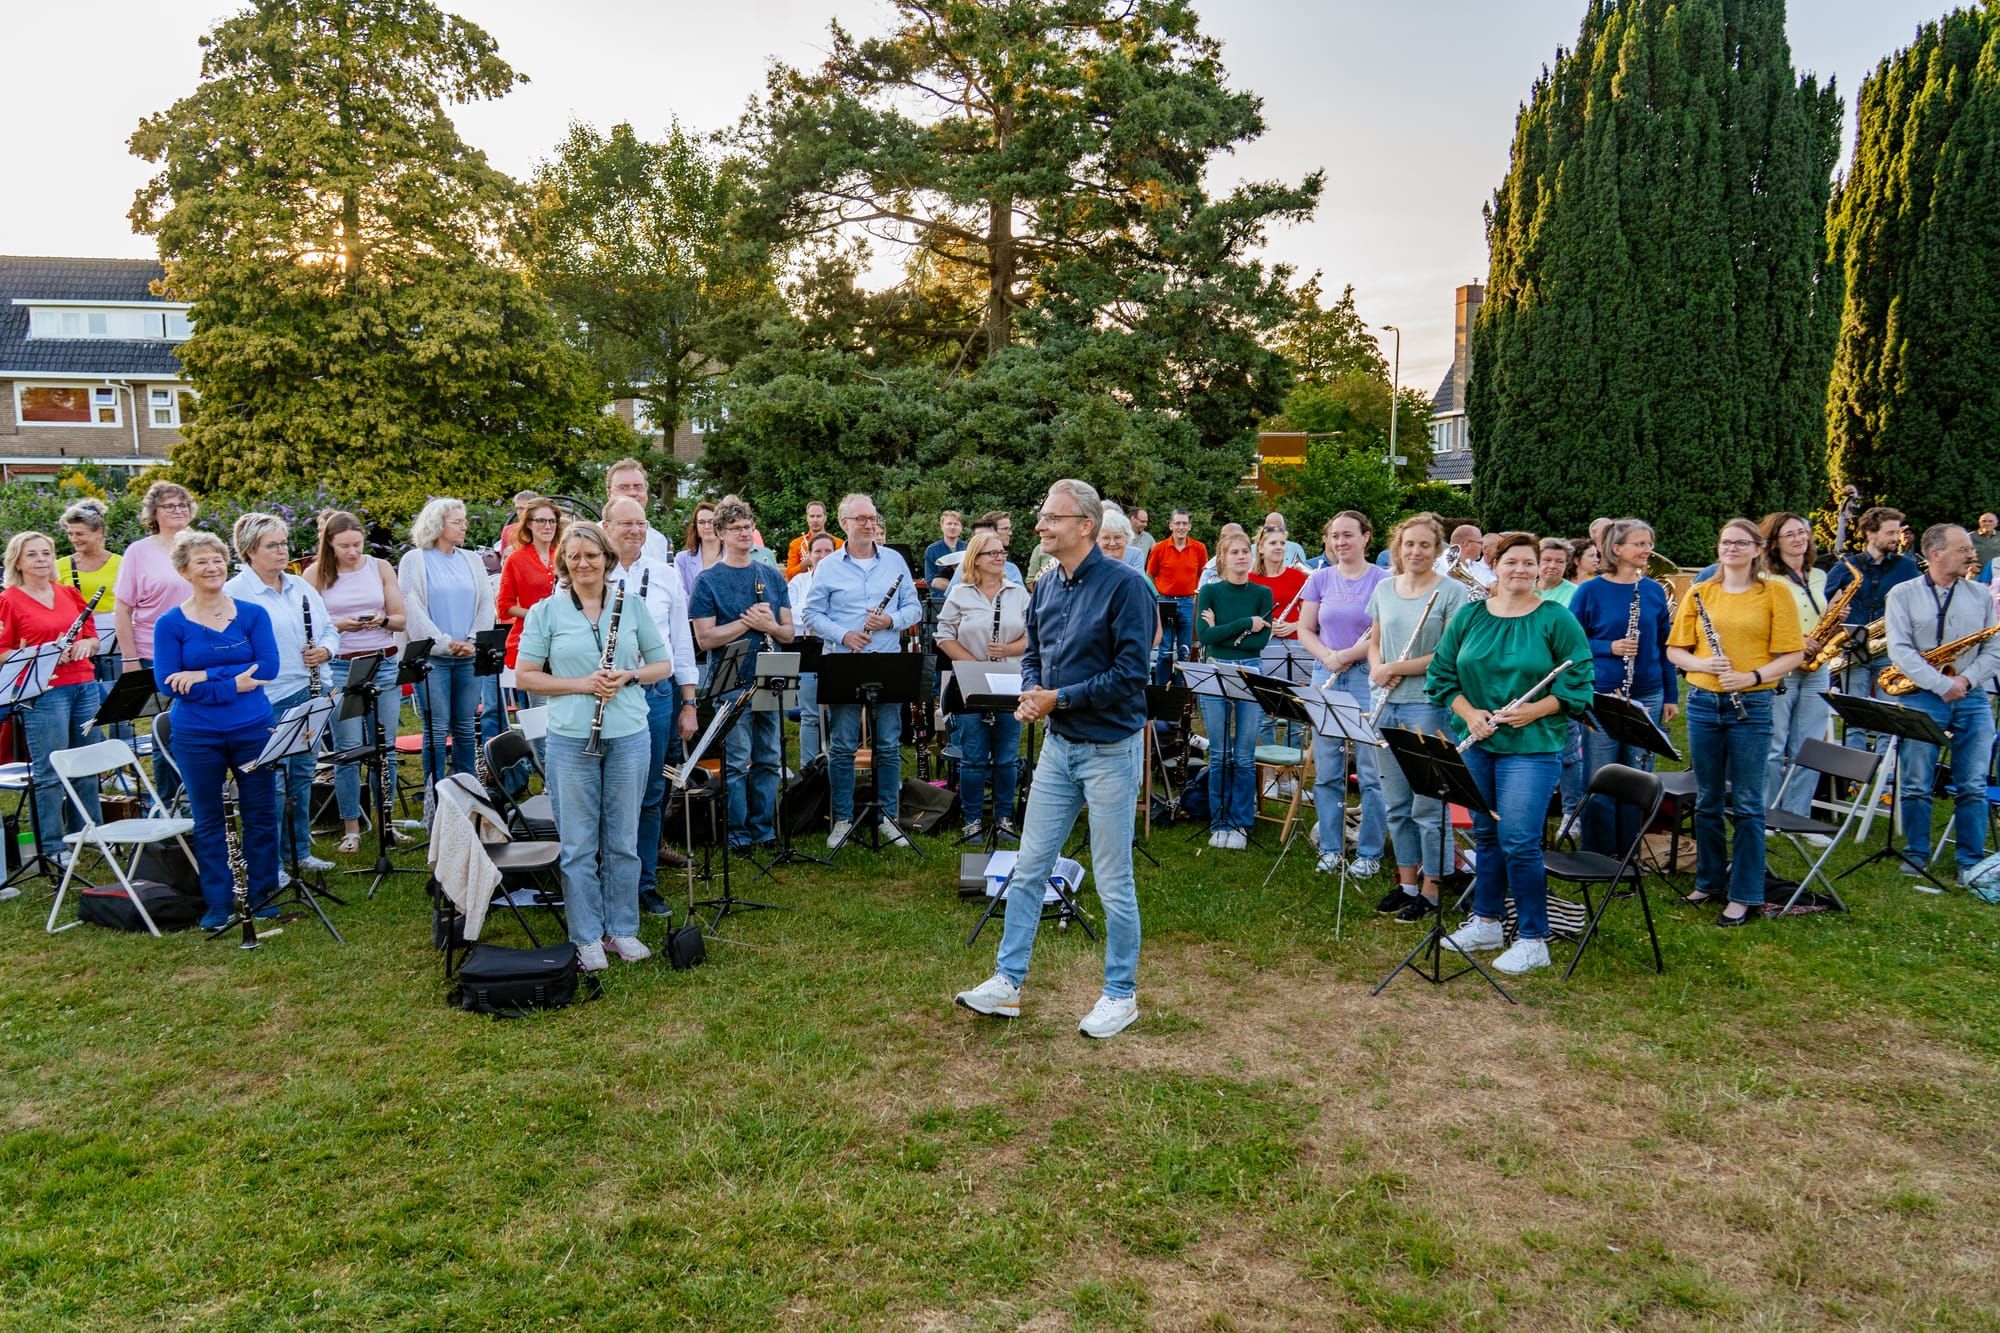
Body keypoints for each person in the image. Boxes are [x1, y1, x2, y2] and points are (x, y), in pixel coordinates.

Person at [955, 479, 1152, 1039]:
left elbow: (1131, 675)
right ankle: (1007, 983)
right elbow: (1035, 652)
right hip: (1059, 750)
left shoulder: (1125, 587)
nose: (1039, 526)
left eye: (1051, 518)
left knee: (1114, 880)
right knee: (1029, 867)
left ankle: (1120, 994)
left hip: (1109, 751)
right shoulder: (1044, 585)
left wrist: (1058, 698)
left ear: (1084, 525)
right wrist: (1033, 692)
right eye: (1041, 517)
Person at [1430, 532, 1596, 975]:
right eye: (1512, 562)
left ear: (1540, 568)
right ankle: (1486, 921)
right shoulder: (1469, 616)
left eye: (1529, 563)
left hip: (1533, 744)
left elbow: (1579, 682)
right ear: (1495, 566)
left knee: (1520, 840)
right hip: (1479, 741)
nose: (1520, 570)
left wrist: (1533, 711)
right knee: (1486, 835)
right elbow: (1443, 676)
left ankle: (1533, 937)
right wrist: (1470, 713)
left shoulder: (1556, 619)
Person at [516, 522, 675, 972]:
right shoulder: (546, 612)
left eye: (591, 555)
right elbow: (527, 675)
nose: (583, 563)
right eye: (574, 556)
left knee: (623, 840)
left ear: (606, 558)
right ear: (564, 562)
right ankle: (586, 935)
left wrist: (627, 676)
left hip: (627, 732)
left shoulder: (632, 605)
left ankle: (622, 929)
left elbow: (661, 664)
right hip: (569, 737)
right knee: (579, 844)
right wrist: (582, 685)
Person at [1667, 519, 1805, 926]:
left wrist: (1753, 677)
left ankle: (1745, 892)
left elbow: (1793, 655)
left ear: (1757, 549)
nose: (1732, 548)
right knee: (1707, 800)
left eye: (1741, 543)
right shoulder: (1700, 592)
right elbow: (1676, 650)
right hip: (1704, 702)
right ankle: (1709, 881)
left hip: (1753, 703)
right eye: (1726, 541)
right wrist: (1704, 664)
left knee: (1746, 803)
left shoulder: (1774, 593)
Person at [153, 530, 281, 931]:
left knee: (260, 812)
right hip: (196, 734)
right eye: (202, 562)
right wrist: (232, 683)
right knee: (208, 819)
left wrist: (205, 675)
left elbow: (268, 667)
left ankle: (263, 895)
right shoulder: (170, 623)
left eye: (218, 560)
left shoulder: (252, 614)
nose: (212, 568)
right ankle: (219, 902)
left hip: (252, 728)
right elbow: (168, 681)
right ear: (183, 571)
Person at [1364, 514, 1469, 920]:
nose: (1416, 552)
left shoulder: (1452, 593)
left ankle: (1433, 888)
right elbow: (1374, 641)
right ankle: (1406, 883)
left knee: (1428, 805)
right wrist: (1377, 667)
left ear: (1437, 549)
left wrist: (1395, 669)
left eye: (1425, 545)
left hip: (1426, 705)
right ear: (1398, 547)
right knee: (1396, 803)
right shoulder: (1384, 588)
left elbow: (1449, 655)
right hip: (1385, 703)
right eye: (1409, 545)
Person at [805, 492, 924, 848]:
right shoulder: (827, 566)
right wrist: (844, 635)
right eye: (861, 519)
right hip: (843, 660)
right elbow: (811, 616)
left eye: (872, 518)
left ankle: (888, 816)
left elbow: (914, 609)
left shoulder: (894, 561)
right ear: (844, 524)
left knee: (888, 743)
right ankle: (841, 819)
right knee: (842, 744)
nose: (869, 524)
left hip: (887, 661)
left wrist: (890, 619)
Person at [1883, 524, 2000, 884]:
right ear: (1936, 554)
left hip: (1971, 695)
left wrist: (1964, 681)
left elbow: (1994, 649)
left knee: (1974, 785)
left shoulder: (1980, 596)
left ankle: (1969, 861)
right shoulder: (1902, 594)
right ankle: (1916, 854)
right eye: (1963, 549)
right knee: (1916, 781)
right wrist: (1940, 683)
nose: (1971, 554)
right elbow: (1899, 650)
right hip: (1922, 694)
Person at [224, 513, 338, 872]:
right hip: (268, 697)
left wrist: (325, 651)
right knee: (270, 782)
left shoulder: (299, 585)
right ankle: (269, 862)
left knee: (303, 773)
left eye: (283, 543)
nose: (281, 551)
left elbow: (329, 628)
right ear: (249, 551)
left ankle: (298, 852)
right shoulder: (234, 592)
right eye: (272, 545)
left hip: (312, 689)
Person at [603, 496, 700, 915]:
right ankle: (607, 879)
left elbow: (681, 641)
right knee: (608, 789)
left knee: (651, 792)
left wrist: (689, 701)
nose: (634, 531)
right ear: (606, 526)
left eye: (640, 524)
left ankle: (644, 882)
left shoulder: (664, 574)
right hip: (606, 692)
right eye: (625, 524)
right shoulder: (589, 569)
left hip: (655, 694)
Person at [1567, 519, 1678, 855]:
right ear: (1616, 549)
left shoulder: (1654, 591)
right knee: (1601, 774)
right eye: (1640, 544)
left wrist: (1671, 695)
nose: (1648, 550)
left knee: (1637, 776)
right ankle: (1596, 852)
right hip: (1603, 694)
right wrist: (1608, 647)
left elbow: (1664, 647)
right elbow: (1570, 643)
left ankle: (1628, 851)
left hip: (1648, 692)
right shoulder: (1589, 590)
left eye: (1649, 543)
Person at [690, 495, 794, 849]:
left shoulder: (770, 574)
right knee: (736, 762)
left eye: (748, 527)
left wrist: (770, 625)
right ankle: (737, 833)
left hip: (771, 675)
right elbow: (705, 639)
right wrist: (747, 622)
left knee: (769, 757)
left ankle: (763, 828)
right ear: (719, 532)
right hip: (732, 680)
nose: (744, 533)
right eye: (735, 529)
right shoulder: (708, 581)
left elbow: (788, 632)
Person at [0, 531, 104, 866]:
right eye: (32, 554)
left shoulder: (68, 593)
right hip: (45, 693)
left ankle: (91, 833)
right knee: (49, 771)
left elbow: (92, 637)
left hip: (84, 684)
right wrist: (41, 654)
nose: (42, 559)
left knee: (88, 765)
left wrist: (86, 645)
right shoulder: (9, 600)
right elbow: (2, 651)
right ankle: (53, 844)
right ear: (18, 560)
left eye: (46, 553)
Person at [1298, 511, 1389, 877]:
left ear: (1366, 537)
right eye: (1335, 536)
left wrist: (1347, 656)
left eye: (1348, 535)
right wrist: (1328, 658)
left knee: (1371, 771)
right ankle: (1332, 847)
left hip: (1368, 676)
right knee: (1328, 770)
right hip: (1326, 675)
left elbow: (1381, 635)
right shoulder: (1320, 578)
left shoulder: (1384, 581)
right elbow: (1306, 629)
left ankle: (1369, 851)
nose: (1340, 542)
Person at [309, 511, 406, 854]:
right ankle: (351, 826)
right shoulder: (315, 574)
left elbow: (400, 617)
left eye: (357, 544)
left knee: (387, 748)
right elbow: (310, 629)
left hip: (383, 661)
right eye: (344, 546)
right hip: (341, 666)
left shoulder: (379, 567)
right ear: (329, 544)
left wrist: (382, 618)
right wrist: (341, 626)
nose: (352, 552)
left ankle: (386, 823)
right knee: (348, 750)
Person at [398, 498, 495, 804]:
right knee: (436, 729)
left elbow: (485, 603)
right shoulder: (415, 560)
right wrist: (442, 642)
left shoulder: (472, 559)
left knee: (466, 727)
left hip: (467, 654)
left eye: (464, 520)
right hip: (433, 659)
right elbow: (411, 605)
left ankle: (468, 793)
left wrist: (471, 639)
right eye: (458, 521)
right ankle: (436, 796)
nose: (465, 525)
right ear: (438, 525)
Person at [937, 529, 1030, 841]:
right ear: (975, 559)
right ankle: (972, 819)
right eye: (993, 553)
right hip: (970, 682)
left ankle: (1005, 818)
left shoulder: (1017, 592)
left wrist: (1008, 650)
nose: (1000, 557)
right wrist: (971, 666)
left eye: (1002, 551)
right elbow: (944, 635)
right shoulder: (960, 593)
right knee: (974, 756)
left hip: (1009, 681)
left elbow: (1034, 636)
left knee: (1006, 757)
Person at [115, 480, 197, 807]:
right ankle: (168, 801)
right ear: (154, 513)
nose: (178, 510)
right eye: (169, 506)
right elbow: (123, 608)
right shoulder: (139, 551)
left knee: (199, 727)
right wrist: (130, 659)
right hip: (155, 654)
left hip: (202, 651)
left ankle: (198, 795)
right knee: (167, 730)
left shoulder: (201, 544)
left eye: (183, 504)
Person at [1193, 530, 1272, 848]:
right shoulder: (1210, 591)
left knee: (1243, 754)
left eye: (1246, 552)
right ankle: (1219, 821)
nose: (1242, 556)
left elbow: (1260, 641)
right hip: (1215, 672)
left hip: (1251, 671)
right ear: (1222, 558)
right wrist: (1243, 624)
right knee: (1220, 753)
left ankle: (1240, 822)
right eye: (1235, 552)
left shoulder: (1262, 593)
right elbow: (1204, 637)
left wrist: (1220, 630)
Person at [1825, 507, 1921, 749]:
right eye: (1890, 532)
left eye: (1897, 532)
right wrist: (1834, 610)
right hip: (1853, 648)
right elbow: (1822, 604)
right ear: (1870, 533)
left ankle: (1881, 777)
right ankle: (1853, 779)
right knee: (1855, 717)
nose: (1896, 537)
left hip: (1890, 651)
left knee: (1887, 716)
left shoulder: (1907, 568)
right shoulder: (1847, 566)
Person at [1760, 512, 1833, 822]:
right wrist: (1795, 641)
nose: (1799, 538)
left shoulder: (1818, 576)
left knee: (1810, 745)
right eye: (1790, 534)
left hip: (1817, 668)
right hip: (1780, 665)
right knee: (1775, 745)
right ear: (1774, 542)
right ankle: (1767, 813)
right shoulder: (1764, 579)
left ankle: (1797, 814)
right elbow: (1760, 624)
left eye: (1802, 532)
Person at [496, 498, 565, 729]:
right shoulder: (516, 558)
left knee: (565, 707)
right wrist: (538, 615)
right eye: (541, 521)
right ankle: (542, 761)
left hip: (566, 638)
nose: (547, 526)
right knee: (540, 712)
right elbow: (504, 606)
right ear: (528, 525)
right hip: (530, 639)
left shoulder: (565, 555)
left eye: (552, 521)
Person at [1249, 527, 1309, 749]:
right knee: (1267, 710)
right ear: (1261, 549)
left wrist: (1294, 625)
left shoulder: (1298, 577)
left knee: (1296, 710)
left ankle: (1291, 769)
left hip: (1294, 645)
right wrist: (1262, 625)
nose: (1279, 547)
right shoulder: (1251, 578)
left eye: (1283, 543)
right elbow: (1246, 614)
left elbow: (1312, 616)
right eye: (1273, 543)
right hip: (1263, 647)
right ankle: (1269, 770)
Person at [57, 500, 121, 695]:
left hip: (114, 641)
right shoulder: (60, 566)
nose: (74, 539)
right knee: (88, 701)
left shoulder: (122, 563)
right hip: (78, 642)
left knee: (118, 702)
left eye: (80, 534)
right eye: (70, 534)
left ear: (99, 532)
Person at [787, 530, 839, 763]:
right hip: (807, 652)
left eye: (828, 551)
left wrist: (812, 618)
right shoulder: (799, 581)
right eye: (818, 551)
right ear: (810, 555)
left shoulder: (843, 582)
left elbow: (843, 616)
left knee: (838, 713)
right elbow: (791, 616)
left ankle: (837, 764)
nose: (823, 555)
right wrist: (821, 619)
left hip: (838, 653)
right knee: (810, 715)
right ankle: (808, 769)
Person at [1145, 509, 1205, 684]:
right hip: (1165, 601)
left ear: (1190, 526)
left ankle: (1180, 693)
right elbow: (1149, 575)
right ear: (1170, 525)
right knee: (1164, 652)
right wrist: (1156, 597)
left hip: (1188, 602)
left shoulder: (1199, 548)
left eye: (1184, 523)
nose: (1181, 527)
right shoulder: (1159, 548)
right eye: (1177, 523)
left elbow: (1202, 575)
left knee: (1184, 651)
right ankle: (1161, 690)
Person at [604, 458, 674, 562]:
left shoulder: (658, 541)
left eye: (638, 487)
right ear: (609, 494)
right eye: (623, 487)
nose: (632, 493)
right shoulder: (593, 538)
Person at [675, 500, 722, 600]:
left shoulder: (732, 555)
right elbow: (680, 596)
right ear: (696, 527)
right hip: (694, 614)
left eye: (711, 521)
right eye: (701, 522)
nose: (707, 526)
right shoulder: (682, 559)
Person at [922, 509, 964, 600]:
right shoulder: (932, 550)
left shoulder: (968, 548)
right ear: (942, 526)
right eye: (949, 524)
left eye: (956, 524)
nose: (952, 527)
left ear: (961, 527)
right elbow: (930, 580)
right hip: (941, 600)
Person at [1536, 538, 1577, 607]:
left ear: (1566, 564)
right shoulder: (1523, 589)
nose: (1552, 566)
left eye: (1559, 561)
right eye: (1547, 560)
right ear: (1537, 561)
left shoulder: (1576, 594)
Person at [1973, 512, 2000, 583]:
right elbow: (1958, 554)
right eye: (1984, 521)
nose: (1987, 524)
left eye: (1990, 521)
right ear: (1979, 522)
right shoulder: (1969, 537)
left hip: (1997, 575)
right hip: (1976, 575)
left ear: (1996, 523)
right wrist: (1969, 564)